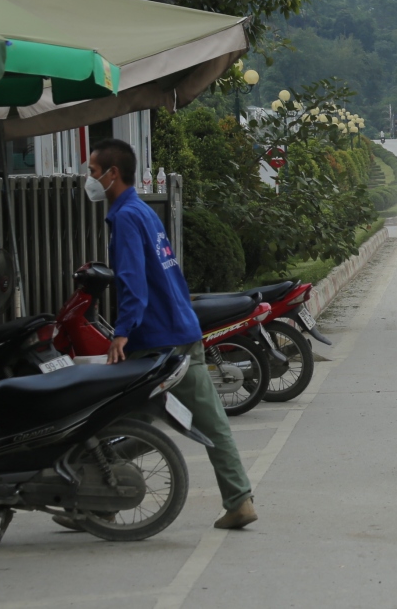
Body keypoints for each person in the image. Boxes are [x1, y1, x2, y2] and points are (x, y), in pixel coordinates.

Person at [89, 139, 256, 529]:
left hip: (157, 339)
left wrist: (121, 333)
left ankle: (101, 498)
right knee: (202, 421)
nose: (90, 179)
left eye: (94, 172)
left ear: (113, 175)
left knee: (118, 418)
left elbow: (132, 283)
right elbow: (169, 272)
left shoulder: (126, 217)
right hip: (182, 329)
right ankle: (239, 499)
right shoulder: (143, 211)